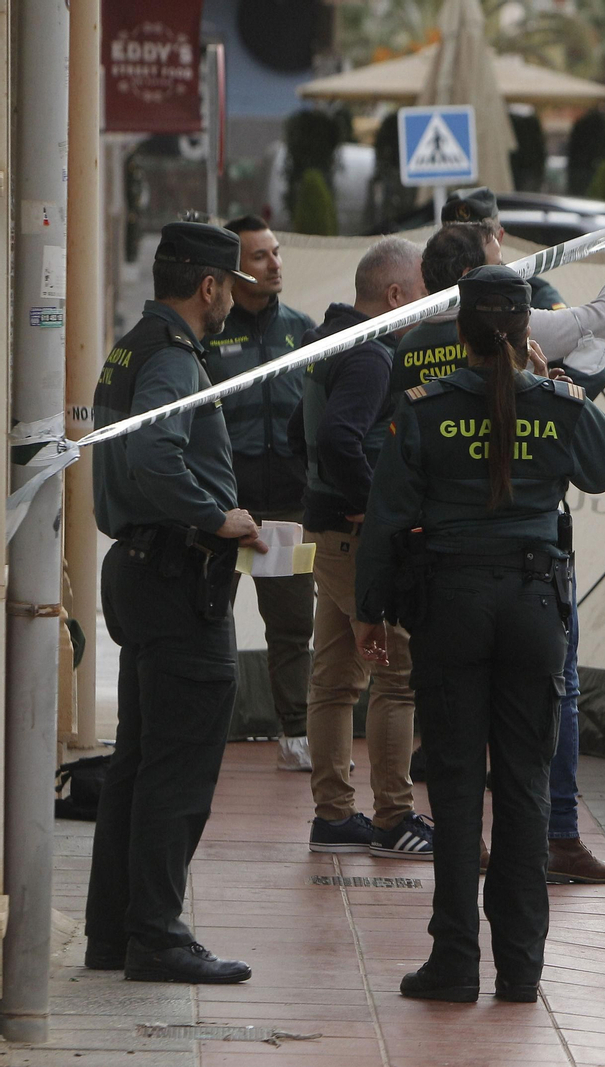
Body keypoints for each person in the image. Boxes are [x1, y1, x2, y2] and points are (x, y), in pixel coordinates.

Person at [353, 265, 605, 1002]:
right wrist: (554, 383)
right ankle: (521, 968)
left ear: (462, 333)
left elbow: (386, 516)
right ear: (526, 330)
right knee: (525, 783)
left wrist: (370, 610)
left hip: (451, 608)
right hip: (535, 608)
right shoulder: (559, 404)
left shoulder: (426, 407)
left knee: (453, 786)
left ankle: (453, 961)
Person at [396, 213, 605, 883]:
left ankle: (459, 885)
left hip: (447, 583)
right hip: (532, 585)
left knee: (455, 750)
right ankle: (550, 848)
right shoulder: (542, 375)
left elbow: (388, 488)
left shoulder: (407, 348)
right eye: (500, 263)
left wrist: (378, 601)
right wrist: (560, 388)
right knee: (534, 738)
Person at [85, 221, 266, 983]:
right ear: (209, 285)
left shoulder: (133, 345)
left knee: (138, 762)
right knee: (177, 767)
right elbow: (154, 453)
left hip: (141, 568)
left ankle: (114, 931)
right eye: (230, 288)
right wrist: (215, 516)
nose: (231, 302)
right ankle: (157, 934)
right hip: (174, 578)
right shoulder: (170, 357)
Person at [297, 236, 436, 859]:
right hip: (357, 543)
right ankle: (393, 818)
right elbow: (338, 437)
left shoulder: (324, 341)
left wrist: (331, 498)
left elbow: (306, 433)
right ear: (396, 295)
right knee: (394, 674)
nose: (430, 304)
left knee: (333, 678)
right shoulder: (372, 354)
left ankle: (333, 816)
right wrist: (372, 506)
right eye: (425, 292)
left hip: (327, 536)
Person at [203, 214, 318, 771]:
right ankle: (204, 733)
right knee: (207, 620)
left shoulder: (303, 330)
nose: (274, 264)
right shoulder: (207, 337)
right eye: (260, 256)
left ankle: (296, 736)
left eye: (276, 253)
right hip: (223, 509)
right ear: (234, 270)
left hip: (288, 509)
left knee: (294, 626)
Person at [440, 185, 566, 308]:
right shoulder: (432, 295)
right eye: (454, 239)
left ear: (499, 237)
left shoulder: (535, 296)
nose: (464, 246)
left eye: (476, 239)